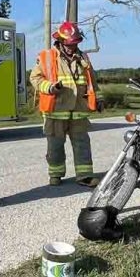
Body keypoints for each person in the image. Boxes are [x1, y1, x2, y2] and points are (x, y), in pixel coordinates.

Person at [30, 21, 103, 188]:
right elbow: (35, 78)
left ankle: (84, 176)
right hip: (56, 110)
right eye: (69, 43)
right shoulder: (47, 56)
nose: (72, 47)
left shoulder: (83, 57)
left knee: (82, 144)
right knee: (55, 146)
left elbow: (92, 80)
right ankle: (55, 174)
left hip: (79, 109)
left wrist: (99, 99)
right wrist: (49, 87)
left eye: (75, 43)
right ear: (61, 41)